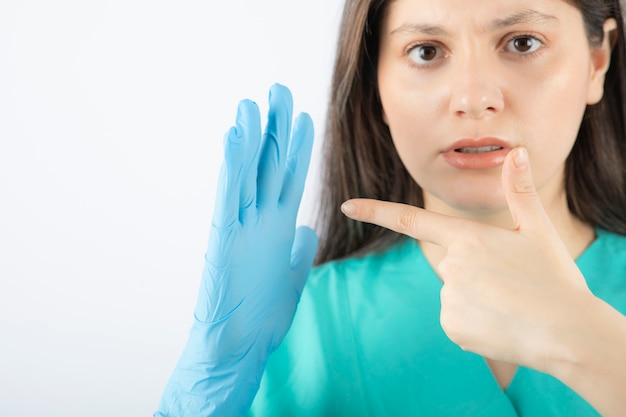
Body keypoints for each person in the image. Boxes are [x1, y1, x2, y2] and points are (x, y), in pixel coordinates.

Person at [155, 0, 626, 416]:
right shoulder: (289, 326)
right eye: (426, 51)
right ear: (374, 83)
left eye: (523, 43)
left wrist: (593, 346)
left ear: (597, 61)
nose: (473, 98)